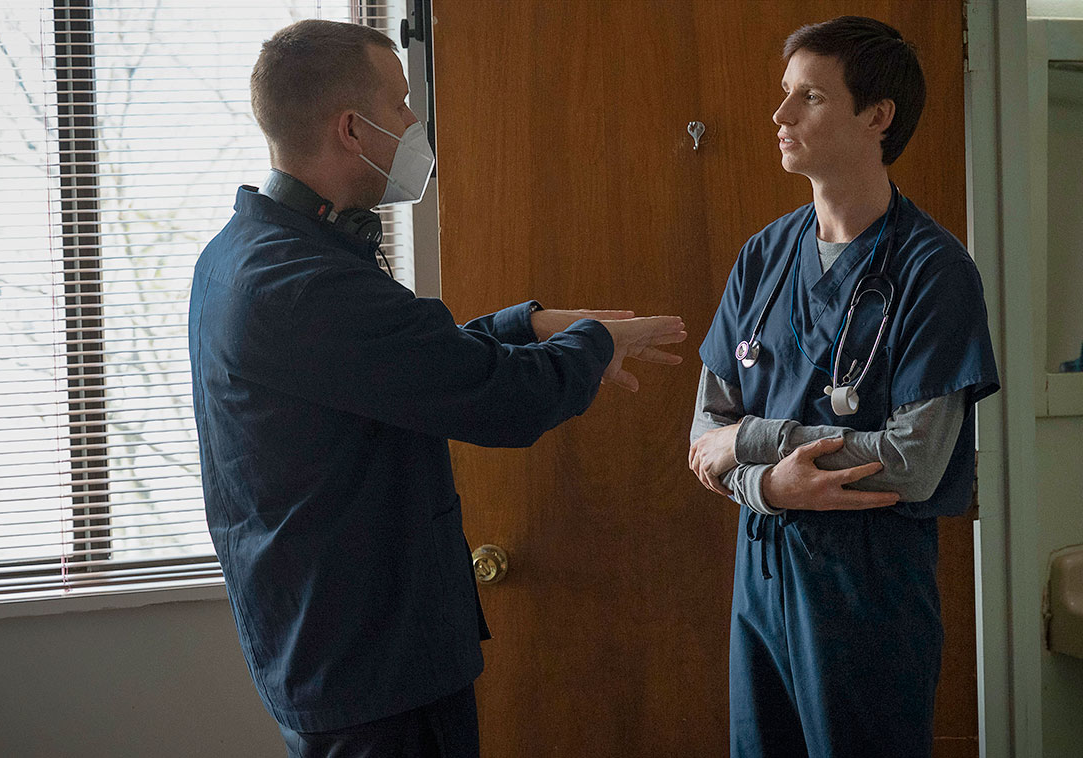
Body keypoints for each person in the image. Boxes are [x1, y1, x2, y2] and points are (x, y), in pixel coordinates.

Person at [188, 19, 686, 758]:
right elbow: (499, 400)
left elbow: (406, 366)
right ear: (351, 129)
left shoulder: (251, 252)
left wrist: (530, 326)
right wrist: (597, 345)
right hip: (371, 672)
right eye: (399, 104)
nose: (413, 123)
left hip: (339, 650)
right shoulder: (303, 283)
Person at [686, 16, 999, 758]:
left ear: (877, 116)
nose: (781, 114)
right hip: (762, 582)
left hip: (867, 596)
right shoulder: (763, 257)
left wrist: (755, 441)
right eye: (785, 93)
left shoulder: (933, 271)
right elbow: (703, 438)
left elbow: (913, 461)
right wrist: (771, 488)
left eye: (810, 97)